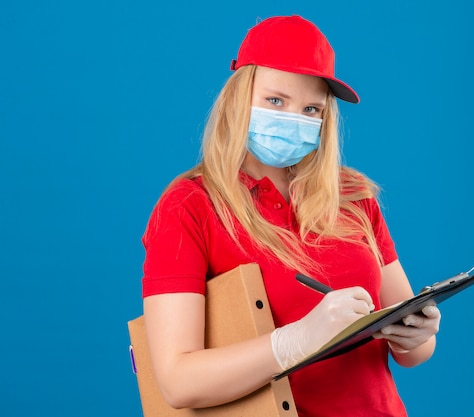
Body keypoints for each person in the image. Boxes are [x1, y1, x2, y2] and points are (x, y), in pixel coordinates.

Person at [141, 15, 441, 417]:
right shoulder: (189, 207)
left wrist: (416, 334)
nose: (293, 118)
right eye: (275, 101)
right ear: (238, 97)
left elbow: (414, 352)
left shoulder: (351, 195)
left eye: (311, 108)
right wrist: (295, 341)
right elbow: (177, 381)